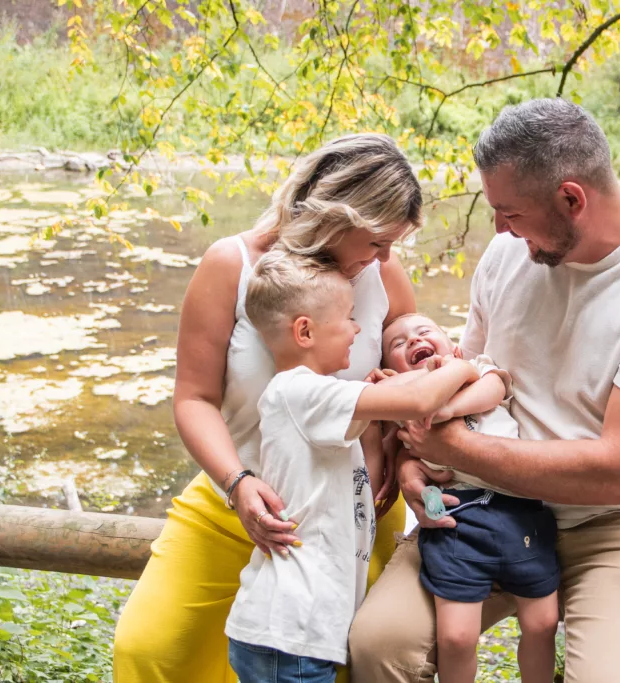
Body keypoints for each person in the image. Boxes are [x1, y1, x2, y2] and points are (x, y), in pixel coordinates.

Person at [349, 98, 620, 683]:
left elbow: (619, 472)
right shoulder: (510, 253)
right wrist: (412, 465)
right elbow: (457, 382)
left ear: (572, 199)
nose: (499, 230)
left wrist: (453, 449)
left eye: (510, 213)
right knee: (380, 646)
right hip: (485, 501)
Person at [113, 133, 422, 683]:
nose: (384, 257)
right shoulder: (230, 265)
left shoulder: (382, 274)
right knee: (150, 649)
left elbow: (406, 378)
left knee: (341, 666)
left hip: (350, 516)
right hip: (237, 498)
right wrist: (238, 483)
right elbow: (194, 399)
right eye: (377, 240)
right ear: (336, 215)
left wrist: (397, 453)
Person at [225, 251, 481, 683]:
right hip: (290, 634)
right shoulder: (301, 393)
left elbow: (373, 459)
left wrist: (379, 397)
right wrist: (464, 366)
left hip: (299, 632)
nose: (358, 329)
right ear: (305, 331)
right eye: (348, 318)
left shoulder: (316, 400)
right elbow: (419, 400)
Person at [380, 313, 560, 683]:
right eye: (397, 344)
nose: (413, 340)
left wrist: (446, 408)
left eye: (424, 331)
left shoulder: (474, 371)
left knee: (542, 624)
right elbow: (405, 464)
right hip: (456, 520)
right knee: (456, 638)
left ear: (456, 350)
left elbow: (493, 389)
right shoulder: (403, 409)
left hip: (520, 509)